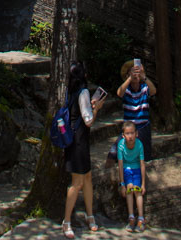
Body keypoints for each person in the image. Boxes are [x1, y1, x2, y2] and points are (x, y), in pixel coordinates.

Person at [62, 60, 104, 237]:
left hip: (75, 140)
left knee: (87, 177)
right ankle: (66, 222)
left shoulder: (70, 91)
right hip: (79, 141)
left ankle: (90, 215)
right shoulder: (84, 92)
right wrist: (97, 108)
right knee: (77, 182)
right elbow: (88, 120)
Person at [117, 59, 156, 162]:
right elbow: (119, 93)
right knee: (119, 155)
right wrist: (130, 78)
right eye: (133, 71)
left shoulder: (144, 88)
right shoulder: (127, 89)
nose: (136, 74)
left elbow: (153, 91)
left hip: (143, 126)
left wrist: (144, 77)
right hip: (129, 128)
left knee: (145, 156)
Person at [117, 120, 146, 231]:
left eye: (132, 133)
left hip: (137, 169)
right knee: (130, 189)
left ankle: (141, 219)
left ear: (136, 133)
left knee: (137, 190)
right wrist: (122, 184)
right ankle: (131, 217)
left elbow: (142, 164)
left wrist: (143, 183)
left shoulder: (139, 144)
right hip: (127, 170)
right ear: (123, 135)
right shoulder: (121, 145)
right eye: (127, 134)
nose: (130, 136)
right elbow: (120, 164)